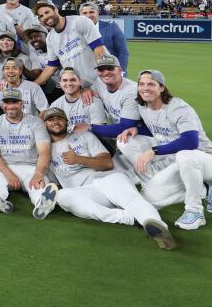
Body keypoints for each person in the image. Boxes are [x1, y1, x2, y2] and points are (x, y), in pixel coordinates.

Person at [43, 107, 176, 250]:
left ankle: (159, 229)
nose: (55, 122)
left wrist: (79, 159)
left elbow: (107, 163)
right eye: (50, 119)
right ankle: (128, 218)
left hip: (107, 178)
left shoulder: (84, 136)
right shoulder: (44, 150)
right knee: (62, 197)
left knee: (131, 200)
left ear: (66, 121)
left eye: (59, 118)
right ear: (45, 124)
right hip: (86, 191)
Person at [104, 71, 212, 231]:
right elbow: (160, 130)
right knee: (124, 142)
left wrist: (153, 151)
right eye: (141, 84)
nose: (145, 88)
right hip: (176, 160)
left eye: (151, 84)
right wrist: (136, 129)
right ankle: (157, 180)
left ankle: (195, 209)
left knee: (185, 156)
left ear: (161, 88)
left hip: (202, 159)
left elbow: (190, 141)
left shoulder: (178, 108)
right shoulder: (144, 106)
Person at [0, 88, 59, 218]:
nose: (10, 106)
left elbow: (44, 151)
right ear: (2, 104)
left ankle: (42, 203)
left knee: (37, 184)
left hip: (31, 166)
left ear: (22, 103)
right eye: (7, 102)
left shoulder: (36, 122)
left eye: (14, 102)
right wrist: (8, 174)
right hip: (5, 167)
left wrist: (38, 173)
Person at [32, 0, 107, 89]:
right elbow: (51, 66)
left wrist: (102, 80)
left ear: (55, 10)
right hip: (78, 88)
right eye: (41, 16)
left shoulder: (80, 21)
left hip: (99, 82)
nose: (45, 17)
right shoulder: (50, 38)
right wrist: (33, 85)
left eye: (47, 12)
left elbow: (99, 50)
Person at [79, 1, 129, 72]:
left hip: (109, 73)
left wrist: (120, 72)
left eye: (91, 12)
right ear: (79, 15)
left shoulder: (112, 27)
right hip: (86, 76)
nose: (88, 15)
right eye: (84, 13)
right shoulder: (75, 32)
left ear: (98, 13)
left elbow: (123, 52)